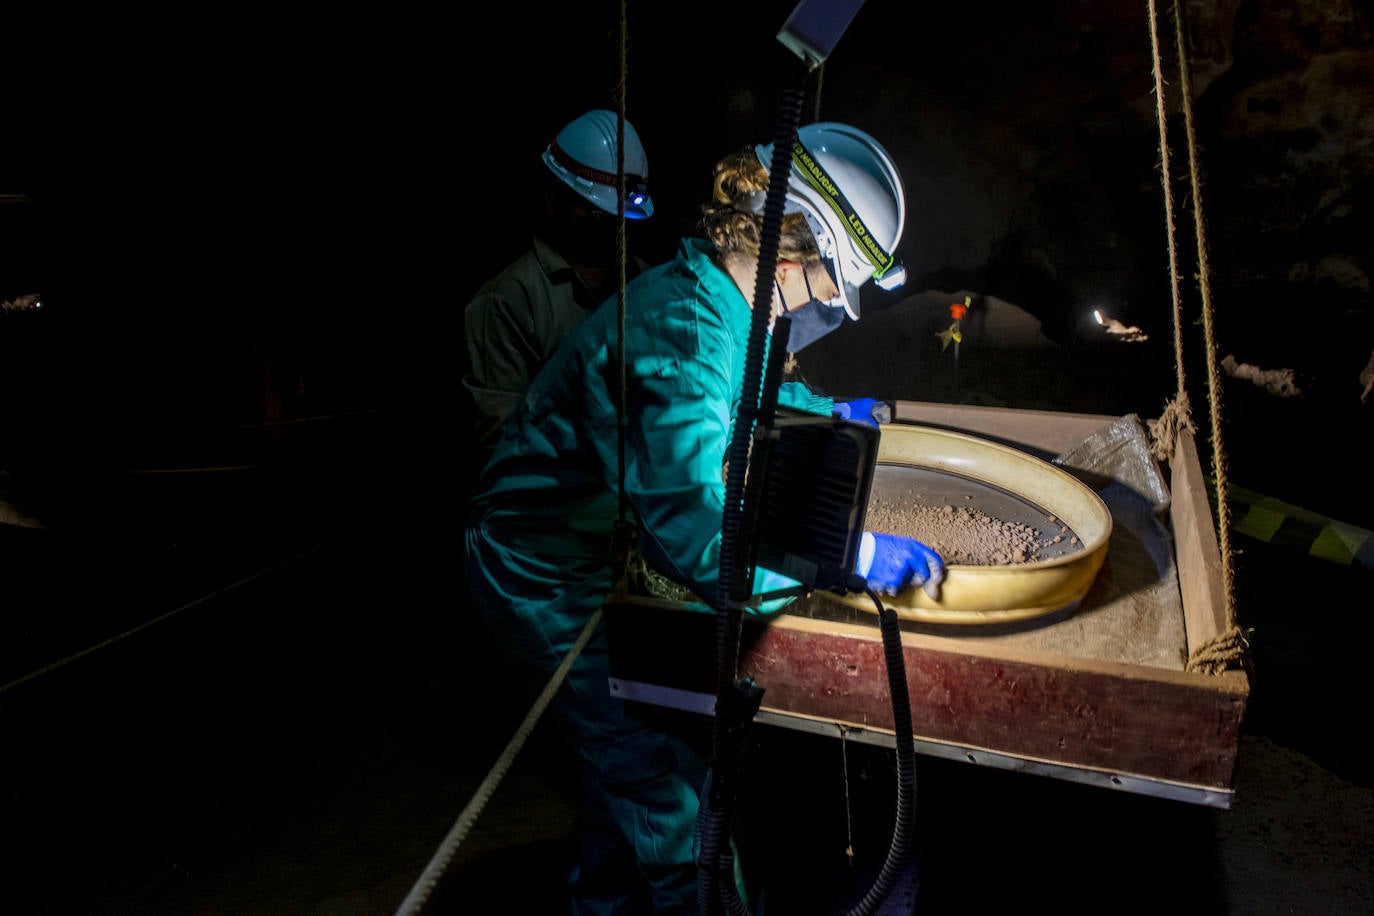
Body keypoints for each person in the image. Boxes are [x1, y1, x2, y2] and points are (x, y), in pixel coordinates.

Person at [463, 121, 944, 914]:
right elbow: (698, 536)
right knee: (671, 791)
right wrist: (843, 555)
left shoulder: (714, 300)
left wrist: (827, 413)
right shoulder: (681, 332)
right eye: (829, 287)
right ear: (790, 258)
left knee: (618, 769)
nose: (828, 304)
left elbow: (743, 391)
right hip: (541, 567)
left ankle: (603, 904)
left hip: (588, 541)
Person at [462, 108, 656, 455]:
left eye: (626, 218)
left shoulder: (646, 282)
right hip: (550, 502)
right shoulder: (508, 301)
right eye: (602, 216)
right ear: (555, 203)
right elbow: (502, 441)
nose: (617, 229)